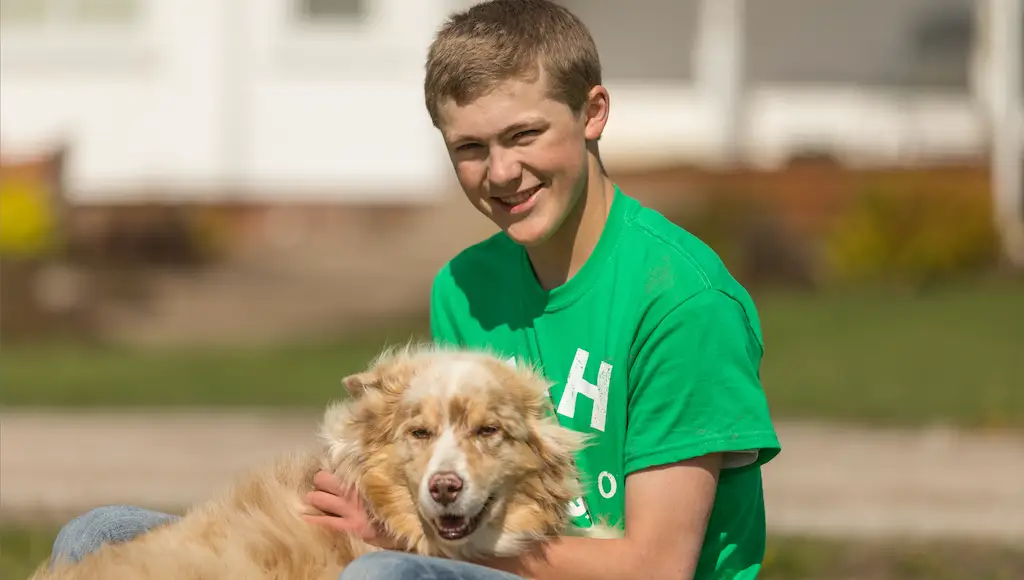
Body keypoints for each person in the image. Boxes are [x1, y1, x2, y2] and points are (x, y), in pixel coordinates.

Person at [48, 1, 780, 579]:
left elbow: (653, 568)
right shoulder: (463, 287)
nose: (500, 172)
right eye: (470, 147)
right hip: (467, 558)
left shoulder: (680, 302)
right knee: (98, 536)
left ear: (593, 114)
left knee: (385, 577)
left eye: (524, 135)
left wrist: (414, 540)